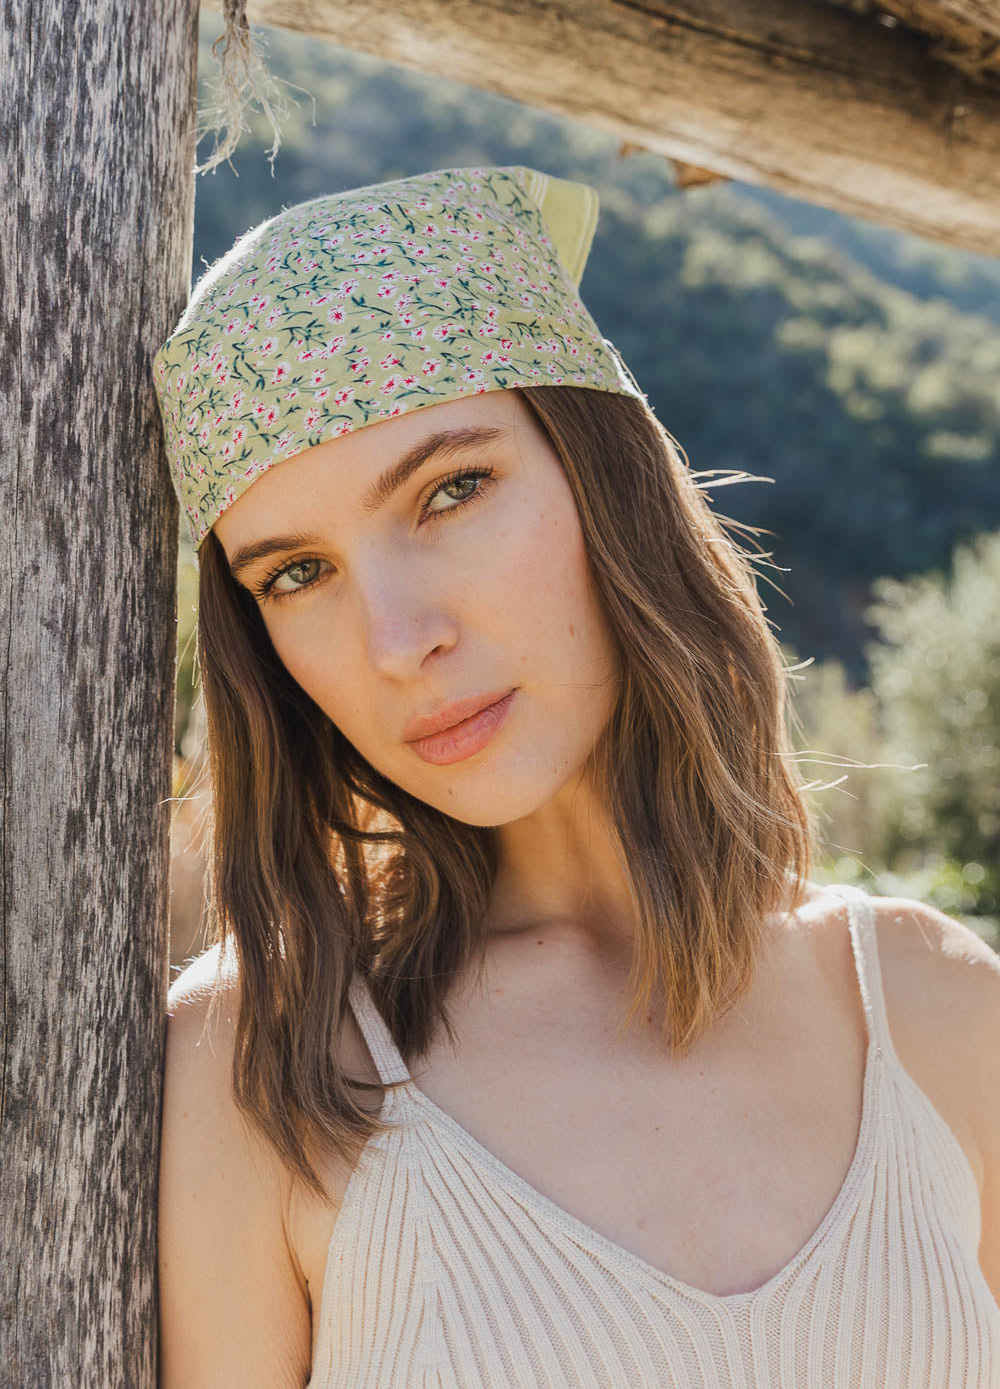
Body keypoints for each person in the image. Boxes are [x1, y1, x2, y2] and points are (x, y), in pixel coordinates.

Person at [153, 165, 1000, 1388]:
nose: (398, 642)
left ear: (608, 480)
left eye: (451, 490)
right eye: (296, 574)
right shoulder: (268, 1061)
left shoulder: (934, 1012)